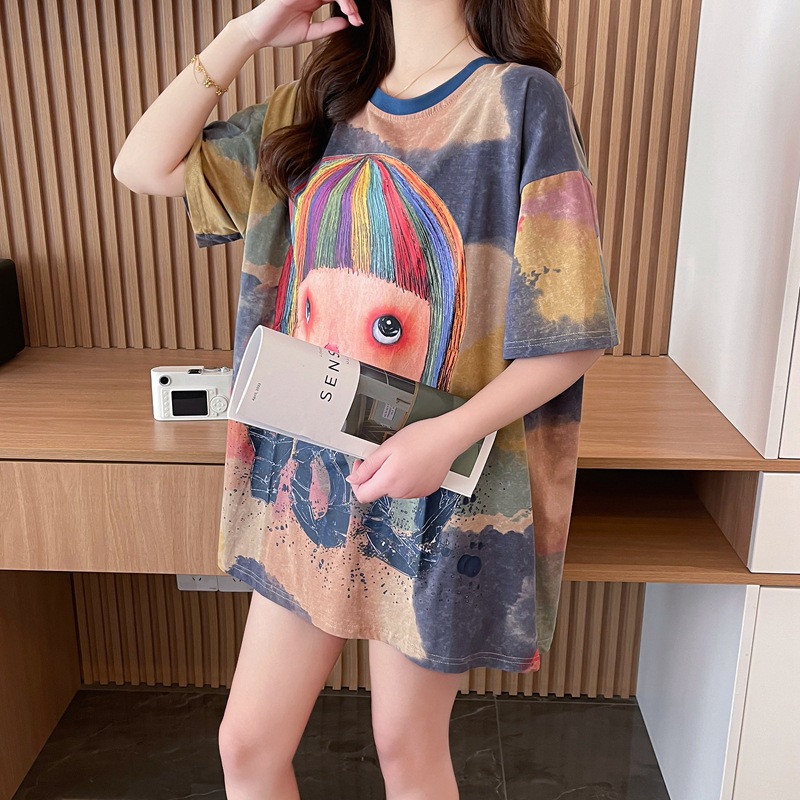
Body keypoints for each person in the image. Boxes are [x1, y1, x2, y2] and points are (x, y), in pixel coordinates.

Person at [114, 1, 621, 797]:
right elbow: (144, 167)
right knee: (246, 744)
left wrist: (445, 437)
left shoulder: (518, 102)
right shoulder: (317, 104)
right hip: (305, 481)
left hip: (434, 490)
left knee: (404, 748)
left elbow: (572, 334)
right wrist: (247, 32)